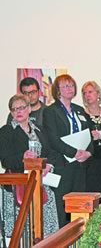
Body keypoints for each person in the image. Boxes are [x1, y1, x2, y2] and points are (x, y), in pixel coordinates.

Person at [0, 94, 59, 237]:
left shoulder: (39, 130)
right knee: (21, 234)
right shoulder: (7, 131)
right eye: (14, 109)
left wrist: (48, 165)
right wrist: (23, 157)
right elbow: (5, 160)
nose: (18, 112)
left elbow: (52, 152)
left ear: (29, 109)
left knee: (45, 231)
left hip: (42, 185)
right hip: (19, 187)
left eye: (21, 108)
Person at [43, 74, 93, 227]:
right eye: (65, 86)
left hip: (79, 165)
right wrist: (74, 152)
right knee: (62, 207)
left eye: (71, 85)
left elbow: (89, 134)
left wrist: (88, 152)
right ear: (57, 90)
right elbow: (53, 139)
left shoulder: (79, 110)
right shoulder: (51, 111)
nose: (69, 89)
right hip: (62, 164)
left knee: (79, 205)